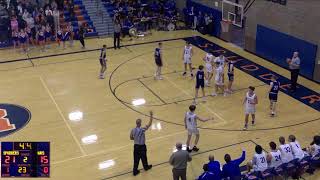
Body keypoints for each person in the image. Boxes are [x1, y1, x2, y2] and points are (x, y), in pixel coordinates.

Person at [130, 111, 153, 176]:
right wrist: (151, 116)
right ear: (140, 123)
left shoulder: (133, 130)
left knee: (136, 159)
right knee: (144, 157)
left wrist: (136, 139)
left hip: (136, 146)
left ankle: (135, 171)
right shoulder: (142, 129)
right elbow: (149, 124)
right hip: (142, 146)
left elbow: (131, 138)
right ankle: (146, 167)